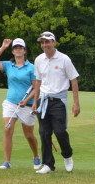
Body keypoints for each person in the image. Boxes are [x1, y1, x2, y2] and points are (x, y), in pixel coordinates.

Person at [0, 38, 41, 169]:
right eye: (15, 47)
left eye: (20, 47)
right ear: (12, 51)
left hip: (26, 105)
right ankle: (7, 162)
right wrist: (2, 47)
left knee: (28, 135)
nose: (18, 49)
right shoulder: (8, 65)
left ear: (24, 51)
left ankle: (36, 156)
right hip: (10, 103)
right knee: (8, 130)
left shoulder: (31, 68)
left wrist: (27, 100)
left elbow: (36, 88)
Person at [32, 31, 80, 174]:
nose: (45, 45)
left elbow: (73, 80)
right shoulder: (39, 60)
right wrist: (35, 102)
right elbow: (38, 82)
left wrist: (76, 103)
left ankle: (67, 155)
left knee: (59, 131)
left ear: (54, 42)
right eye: (42, 42)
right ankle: (48, 164)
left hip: (59, 100)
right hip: (44, 100)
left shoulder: (64, 59)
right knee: (44, 133)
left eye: (47, 42)